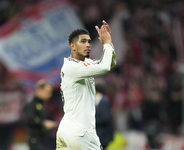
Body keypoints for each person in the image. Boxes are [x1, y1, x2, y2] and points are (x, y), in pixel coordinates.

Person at [56, 20, 116, 150]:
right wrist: (106, 44)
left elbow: (109, 64)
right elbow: (104, 67)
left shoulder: (84, 64)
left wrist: (109, 43)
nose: (88, 44)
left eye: (89, 41)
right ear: (72, 46)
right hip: (80, 133)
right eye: (83, 42)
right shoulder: (72, 67)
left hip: (69, 130)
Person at [24, 79, 58, 150]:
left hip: (42, 138)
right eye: (47, 92)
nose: (49, 95)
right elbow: (28, 120)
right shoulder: (32, 104)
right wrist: (43, 124)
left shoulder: (41, 104)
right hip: (35, 138)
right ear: (39, 90)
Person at [95, 79, 114, 150]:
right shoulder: (100, 100)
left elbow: (105, 118)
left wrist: (92, 121)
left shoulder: (103, 101)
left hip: (103, 134)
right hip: (101, 134)